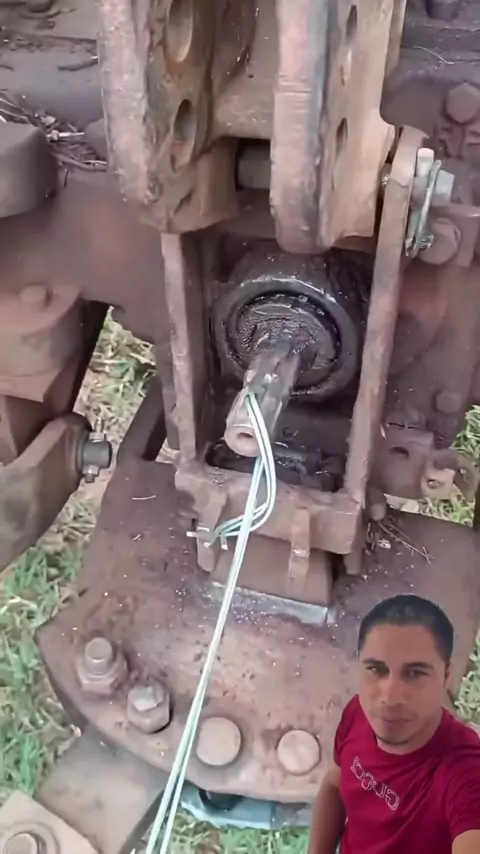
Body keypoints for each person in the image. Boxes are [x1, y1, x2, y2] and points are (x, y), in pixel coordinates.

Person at [308, 594, 480, 854]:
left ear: (446, 676)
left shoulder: (465, 773)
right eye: (376, 669)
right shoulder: (358, 713)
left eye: (414, 673)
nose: (389, 698)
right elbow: (334, 784)